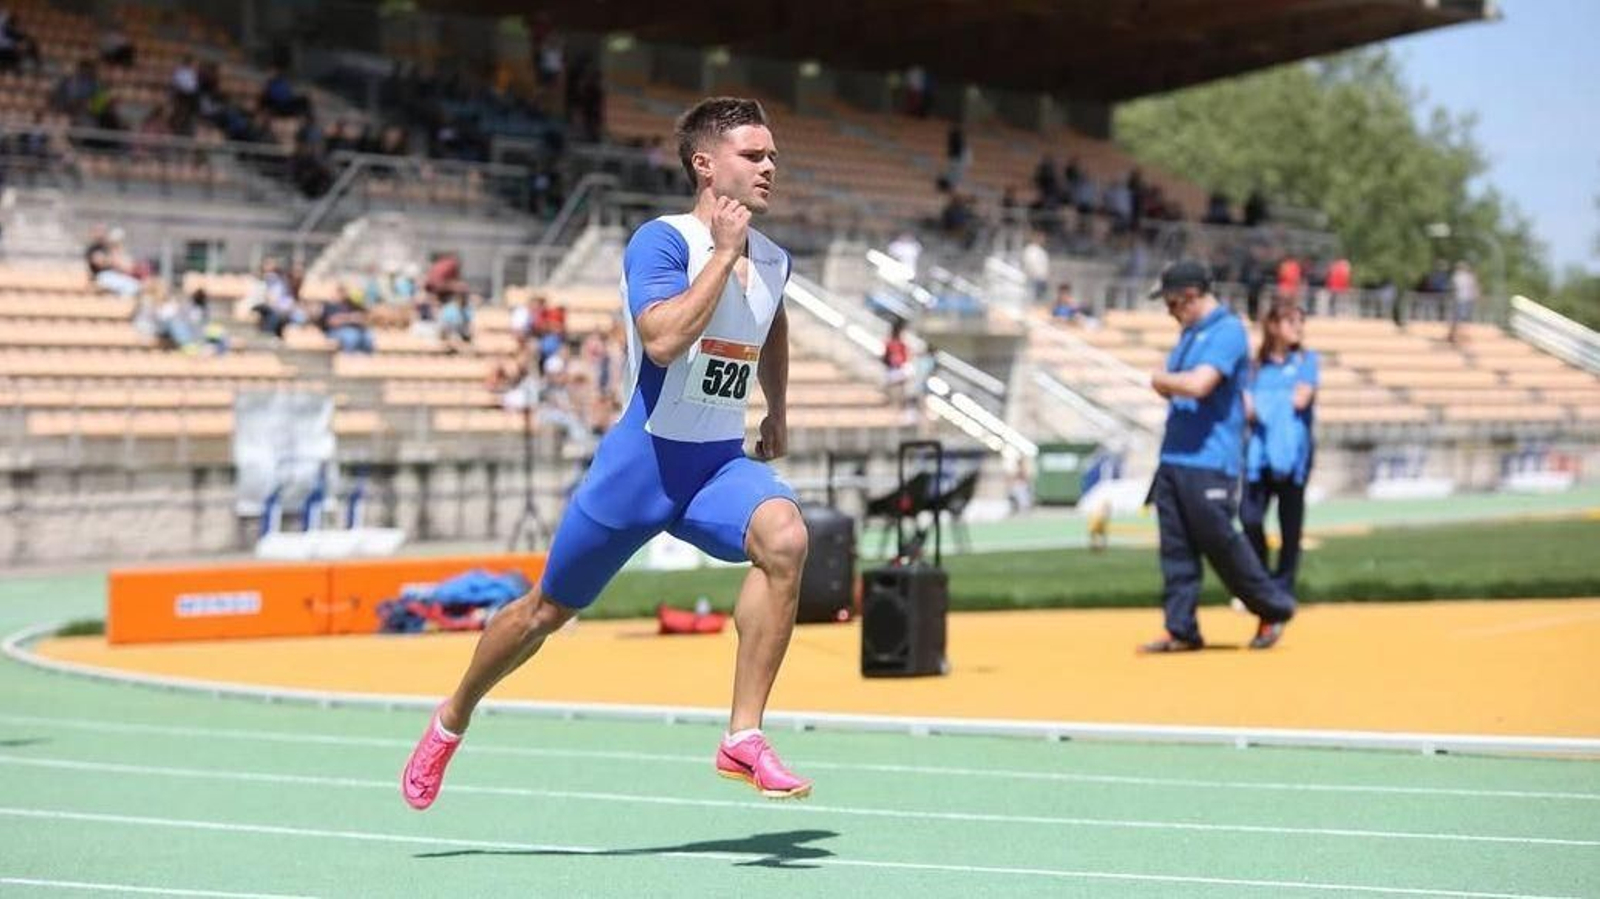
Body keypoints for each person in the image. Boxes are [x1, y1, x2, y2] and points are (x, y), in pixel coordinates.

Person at [402, 96, 813, 808]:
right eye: (754, 155)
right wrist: (722, 254)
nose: (770, 166)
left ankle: (742, 734)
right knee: (543, 612)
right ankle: (452, 716)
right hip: (642, 465)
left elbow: (771, 325)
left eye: (773, 154)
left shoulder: (774, 258)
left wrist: (776, 406)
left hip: (716, 465)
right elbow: (661, 339)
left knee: (788, 538)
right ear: (705, 164)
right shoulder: (662, 241)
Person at [1142, 260, 1296, 653]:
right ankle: (1181, 628)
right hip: (1176, 457)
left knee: (1221, 542)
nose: (1170, 312)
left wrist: (1161, 380)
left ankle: (1272, 607)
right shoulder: (1191, 335)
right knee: (1176, 549)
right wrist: (1168, 383)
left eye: (1173, 304)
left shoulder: (1226, 331)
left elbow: (1198, 385)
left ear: (1191, 296)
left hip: (1210, 460)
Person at [1240, 301, 1318, 595]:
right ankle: (1260, 579)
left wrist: (1263, 406)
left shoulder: (1306, 361)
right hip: (1258, 454)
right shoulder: (1255, 367)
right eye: (1290, 321)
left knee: (1290, 524)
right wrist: (1273, 405)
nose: (1297, 328)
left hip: (1294, 454)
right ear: (1273, 326)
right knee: (1250, 519)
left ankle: (1283, 585)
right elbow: (1247, 409)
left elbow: (1301, 399)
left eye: (1300, 322)